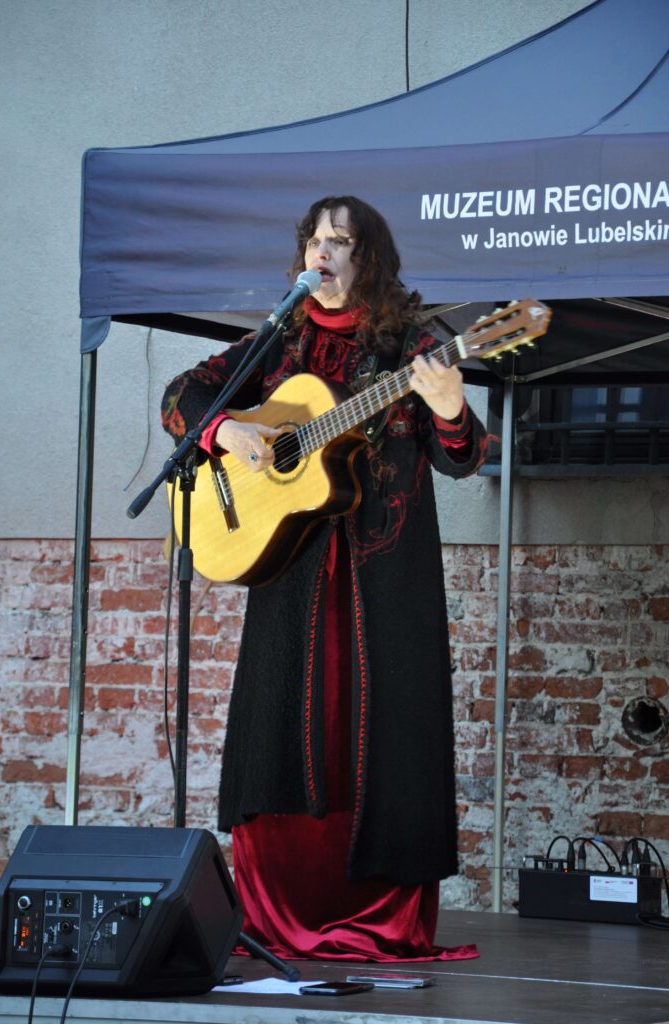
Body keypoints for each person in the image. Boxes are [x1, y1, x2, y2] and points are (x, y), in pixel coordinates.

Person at [161, 196, 487, 962]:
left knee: (383, 734)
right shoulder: (277, 344)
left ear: (367, 256)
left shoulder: (415, 341)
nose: (324, 251)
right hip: (292, 574)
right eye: (315, 238)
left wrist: (448, 406)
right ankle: (277, 914)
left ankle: (380, 919)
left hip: (385, 576)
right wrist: (229, 429)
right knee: (282, 729)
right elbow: (183, 394)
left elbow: (461, 458)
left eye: (340, 241)